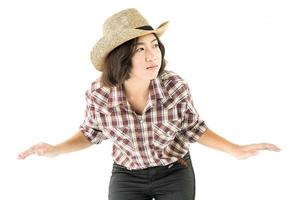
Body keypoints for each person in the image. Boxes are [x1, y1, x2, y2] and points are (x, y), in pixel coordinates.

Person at [18, 8, 280, 200]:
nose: (152, 54)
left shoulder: (174, 86)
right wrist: (56, 149)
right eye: (140, 49)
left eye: (154, 45)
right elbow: (91, 133)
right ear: (121, 57)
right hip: (126, 175)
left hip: (174, 171)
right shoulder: (99, 94)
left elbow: (193, 128)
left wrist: (233, 149)